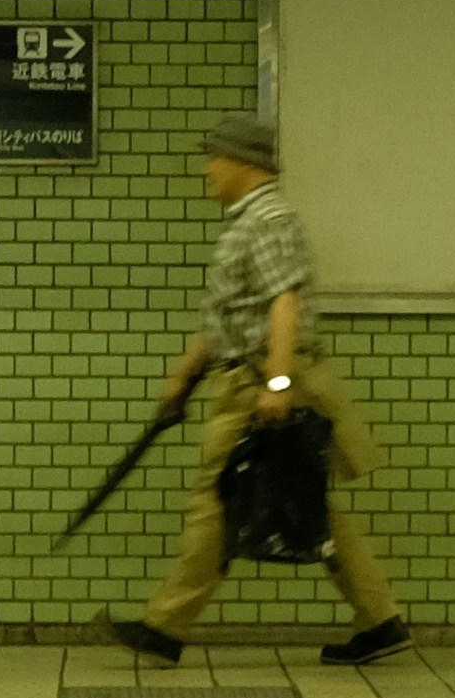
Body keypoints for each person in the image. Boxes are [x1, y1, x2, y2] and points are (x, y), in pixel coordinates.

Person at [115, 114, 406, 666]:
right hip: (246, 378)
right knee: (308, 504)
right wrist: (184, 377)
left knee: (217, 501)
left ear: (243, 161)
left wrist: (276, 383)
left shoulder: (268, 219)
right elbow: (231, 315)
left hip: (257, 386)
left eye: (214, 157)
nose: (207, 169)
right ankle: (381, 620)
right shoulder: (247, 223)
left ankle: (164, 625)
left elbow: (283, 303)